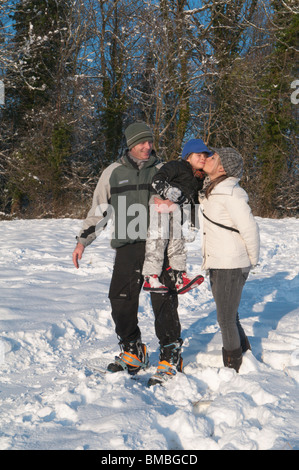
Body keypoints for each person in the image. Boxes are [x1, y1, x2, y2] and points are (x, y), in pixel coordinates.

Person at [72, 122, 183, 386]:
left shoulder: (162, 171)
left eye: (150, 141)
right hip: (127, 246)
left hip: (159, 245)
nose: (147, 146)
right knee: (120, 300)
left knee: (163, 300)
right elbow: (100, 210)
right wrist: (82, 242)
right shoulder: (112, 172)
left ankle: (171, 354)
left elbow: (182, 203)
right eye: (141, 142)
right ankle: (133, 351)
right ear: (130, 144)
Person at [198, 148, 260, 372]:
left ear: (222, 168)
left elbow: (250, 228)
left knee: (224, 318)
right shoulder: (212, 190)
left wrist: (250, 261)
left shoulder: (232, 193)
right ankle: (245, 353)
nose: (207, 158)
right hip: (219, 261)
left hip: (231, 263)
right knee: (230, 314)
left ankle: (233, 364)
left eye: (213, 158)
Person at [142, 139, 213, 295]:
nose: (202, 158)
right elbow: (157, 180)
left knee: (177, 243)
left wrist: (194, 226)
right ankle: (150, 276)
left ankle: (180, 278)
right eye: (198, 155)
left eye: (205, 156)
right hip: (160, 205)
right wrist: (168, 191)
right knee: (158, 239)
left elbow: (195, 203)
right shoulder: (177, 166)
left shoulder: (199, 179)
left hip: (177, 214)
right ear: (188, 156)